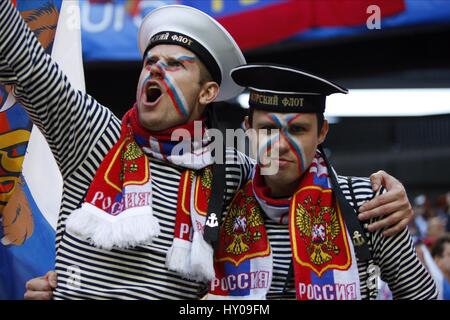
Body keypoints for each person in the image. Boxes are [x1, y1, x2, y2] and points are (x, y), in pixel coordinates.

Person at [0, 1, 412, 300]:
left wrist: (387, 195)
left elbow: (291, 169)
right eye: (151, 61)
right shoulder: (93, 135)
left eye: (175, 64)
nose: (156, 69)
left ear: (208, 92)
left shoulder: (230, 165)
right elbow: (26, 63)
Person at [205, 64, 438, 300]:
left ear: (322, 132)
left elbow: (422, 295)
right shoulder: (221, 197)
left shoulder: (367, 203)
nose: (281, 144)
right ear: (247, 128)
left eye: (297, 130)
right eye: (268, 128)